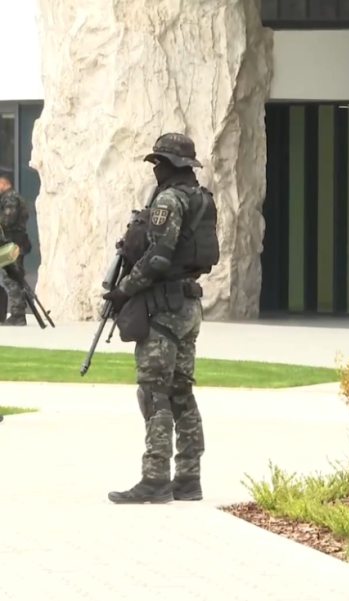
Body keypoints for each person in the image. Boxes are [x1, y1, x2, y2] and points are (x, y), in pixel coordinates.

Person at [106, 133, 220, 505]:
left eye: (158, 162)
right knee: (181, 392)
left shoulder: (169, 201)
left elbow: (157, 258)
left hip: (164, 309)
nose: (154, 169)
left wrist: (123, 290)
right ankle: (188, 478)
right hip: (188, 305)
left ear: (169, 165)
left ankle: (155, 478)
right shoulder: (202, 198)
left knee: (154, 393)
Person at [0, 171, 32, 326]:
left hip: (12, 244)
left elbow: (8, 221)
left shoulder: (11, 198)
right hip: (13, 243)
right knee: (15, 277)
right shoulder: (13, 198)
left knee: (11, 277)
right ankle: (18, 312)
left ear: (4, 184)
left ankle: (18, 314)